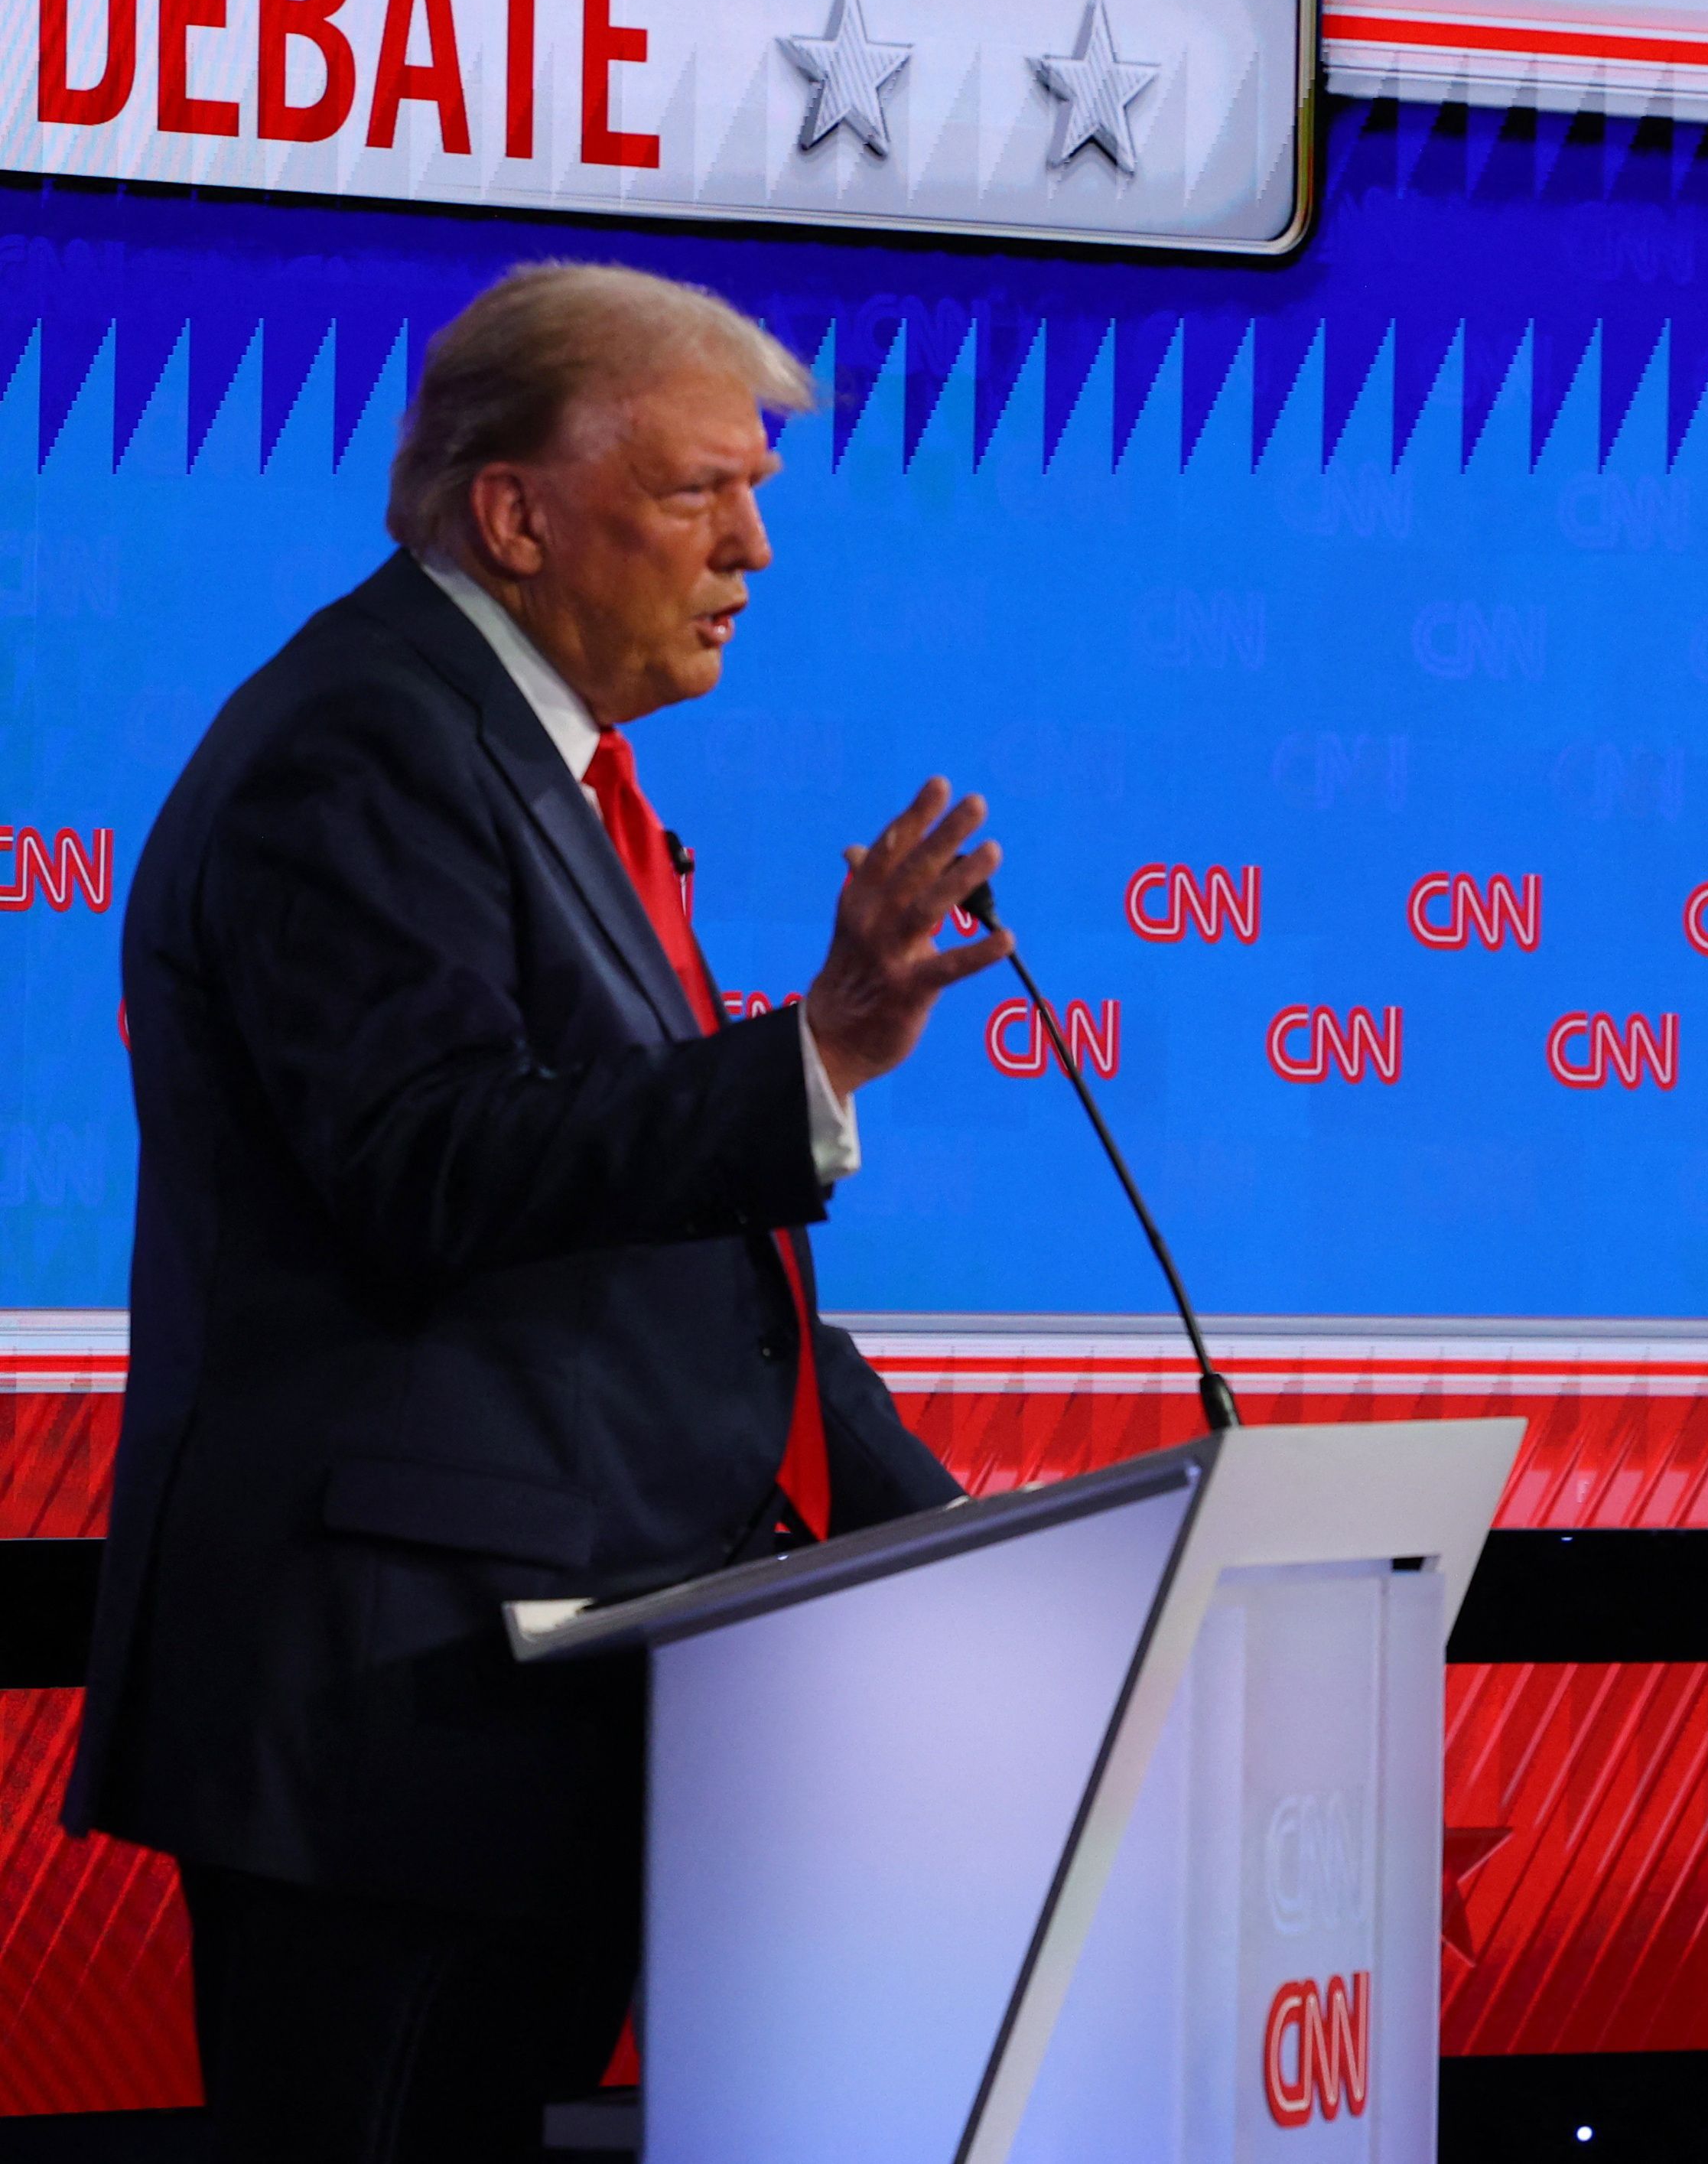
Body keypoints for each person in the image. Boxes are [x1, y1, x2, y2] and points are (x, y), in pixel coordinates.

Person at [67, 262, 1019, 2162]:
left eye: (755, 495)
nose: (751, 548)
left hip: (515, 1730)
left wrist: (959, 1540)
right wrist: (813, 1052)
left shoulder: (534, 766)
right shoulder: (362, 742)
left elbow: (676, 1268)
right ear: (512, 513)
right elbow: (432, 1159)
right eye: (696, 492)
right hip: (388, 1736)